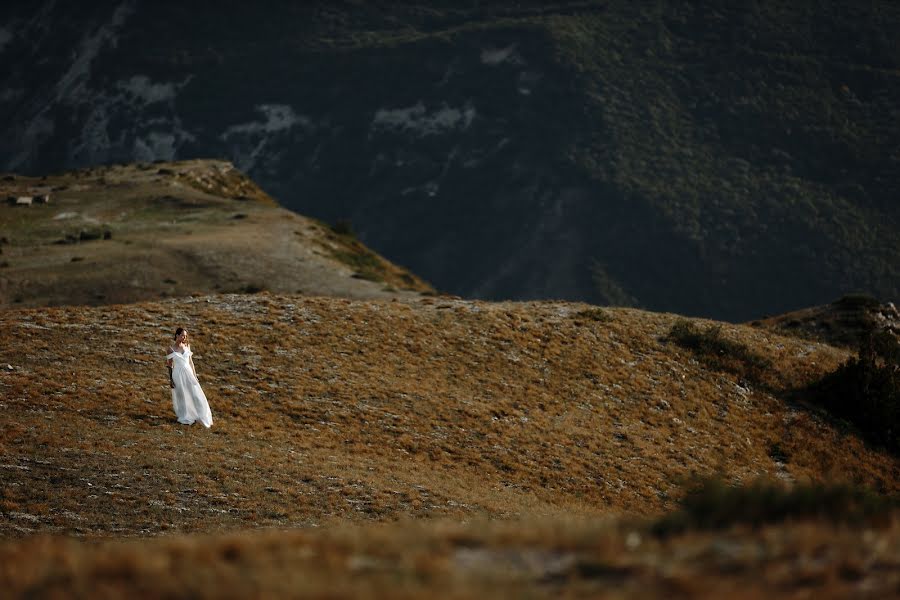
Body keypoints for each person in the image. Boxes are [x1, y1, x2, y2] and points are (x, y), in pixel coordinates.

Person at [165, 327, 213, 428]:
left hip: (189, 373)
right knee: (182, 395)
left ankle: (201, 415)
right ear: (177, 336)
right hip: (178, 374)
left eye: (185, 336)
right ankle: (185, 416)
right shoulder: (170, 349)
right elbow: (169, 365)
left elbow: (191, 362)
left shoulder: (187, 346)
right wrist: (171, 379)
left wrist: (195, 375)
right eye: (182, 335)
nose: (184, 338)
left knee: (196, 394)